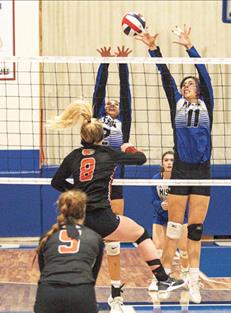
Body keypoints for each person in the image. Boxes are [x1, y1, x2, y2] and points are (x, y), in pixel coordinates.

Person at [48, 100, 185, 309]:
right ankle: (162, 278)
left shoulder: (73, 156)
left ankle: (68, 295)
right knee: (140, 234)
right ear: (101, 137)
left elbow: (56, 182)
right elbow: (141, 159)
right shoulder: (108, 154)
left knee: (86, 261)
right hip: (103, 218)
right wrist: (128, 147)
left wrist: (77, 194)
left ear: (82, 136)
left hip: (80, 220)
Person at [136, 24, 214, 303]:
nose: (186, 86)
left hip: (202, 170)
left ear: (199, 89)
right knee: (173, 226)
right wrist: (153, 49)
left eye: (190, 83)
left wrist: (189, 46)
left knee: (195, 229)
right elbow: (165, 77)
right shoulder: (177, 104)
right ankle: (166, 275)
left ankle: (193, 279)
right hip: (180, 169)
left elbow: (203, 73)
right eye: (184, 85)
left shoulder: (207, 104)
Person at [92, 45, 132, 312]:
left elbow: (126, 96)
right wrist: (104, 64)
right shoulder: (96, 121)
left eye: (115, 103)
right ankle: (85, 288)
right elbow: (98, 95)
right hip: (94, 184)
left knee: (114, 242)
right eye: (110, 103)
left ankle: (116, 291)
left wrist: (122, 64)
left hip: (116, 184)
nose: (112, 104)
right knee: (92, 242)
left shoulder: (123, 123)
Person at [34, 190, 103, 313]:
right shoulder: (95, 237)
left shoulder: (47, 237)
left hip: (48, 293)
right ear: (84, 210)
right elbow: (93, 275)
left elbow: (43, 270)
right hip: (82, 292)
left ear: (61, 209)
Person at [148, 150, 189, 291]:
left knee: (184, 249)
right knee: (157, 249)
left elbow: (186, 200)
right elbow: (153, 200)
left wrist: (173, 205)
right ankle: (157, 279)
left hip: (178, 215)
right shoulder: (155, 179)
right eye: (166, 160)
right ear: (162, 163)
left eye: (172, 160)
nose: (169, 162)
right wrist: (161, 205)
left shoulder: (180, 179)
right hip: (160, 215)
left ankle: (186, 275)